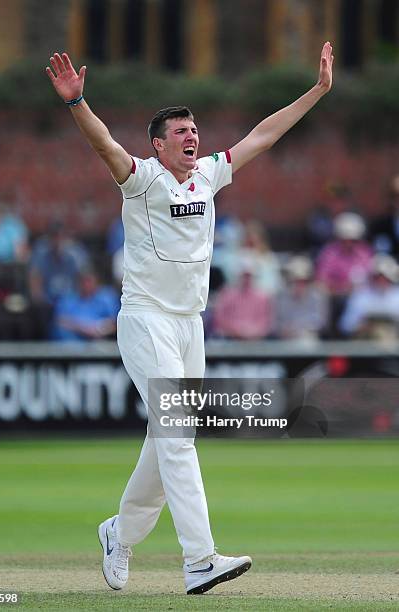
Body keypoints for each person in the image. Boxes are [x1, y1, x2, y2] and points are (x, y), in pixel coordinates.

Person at [46, 41, 334, 595]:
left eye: (193, 129)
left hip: (190, 324)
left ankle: (119, 533)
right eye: (179, 132)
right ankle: (200, 559)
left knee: (167, 439)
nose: (191, 137)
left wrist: (317, 91)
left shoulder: (209, 175)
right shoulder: (141, 179)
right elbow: (105, 145)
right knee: (177, 435)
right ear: (158, 145)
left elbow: (264, 135)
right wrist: (76, 103)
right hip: (147, 319)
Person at [51, 268, 120, 341]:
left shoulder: (107, 297)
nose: (86, 284)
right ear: (78, 283)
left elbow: (114, 322)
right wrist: (84, 329)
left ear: (96, 282)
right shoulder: (67, 298)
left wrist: (98, 329)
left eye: (89, 281)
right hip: (74, 338)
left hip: (101, 339)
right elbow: (60, 320)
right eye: (83, 281)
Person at [212, 257, 273, 340]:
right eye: (244, 275)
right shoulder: (227, 294)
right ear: (238, 275)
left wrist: (251, 332)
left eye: (249, 276)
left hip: (256, 341)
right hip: (230, 339)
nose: (246, 279)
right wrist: (236, 330)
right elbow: (219, 319)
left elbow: (266, 322)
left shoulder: (262, 297)